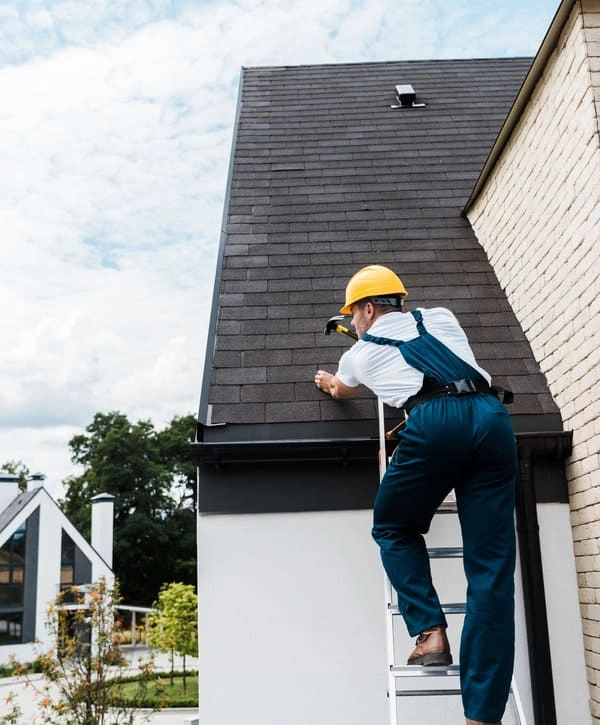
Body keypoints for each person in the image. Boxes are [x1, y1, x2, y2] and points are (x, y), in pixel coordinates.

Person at [314, 264, 517, 725]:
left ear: (365, 310)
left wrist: (331, 380)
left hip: (435, 425)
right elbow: (426, 354)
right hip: (490, 418)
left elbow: (343, 390)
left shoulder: (359, 354)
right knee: (492, 570)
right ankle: (483, 716)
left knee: (392, 525)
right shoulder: (442, 317)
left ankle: (429, 633)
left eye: (355, 314)